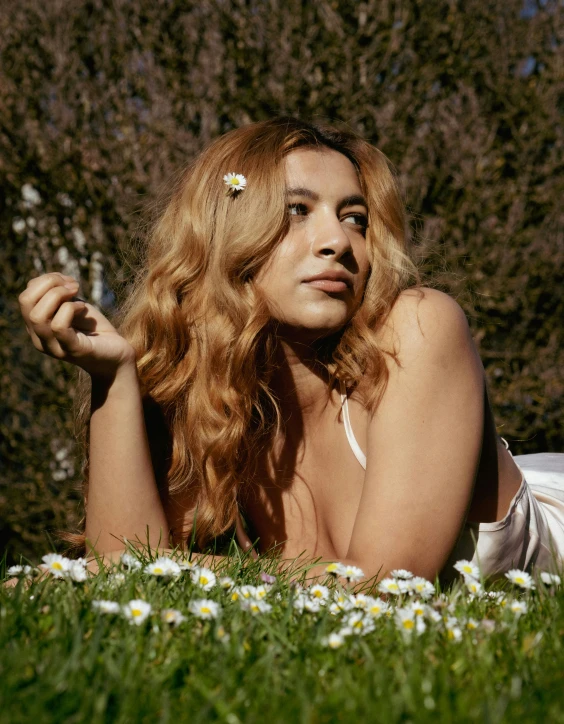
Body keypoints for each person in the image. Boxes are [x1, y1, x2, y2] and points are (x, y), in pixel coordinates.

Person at [18, 116, 564, 586]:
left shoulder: (417, 326)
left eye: (355, 218)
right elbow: (126, 556)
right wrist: (112, 376)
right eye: (298, 210)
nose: (339, 241)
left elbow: (383, 583)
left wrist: (155, 568)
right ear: (226, 234)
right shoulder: (217, 397)